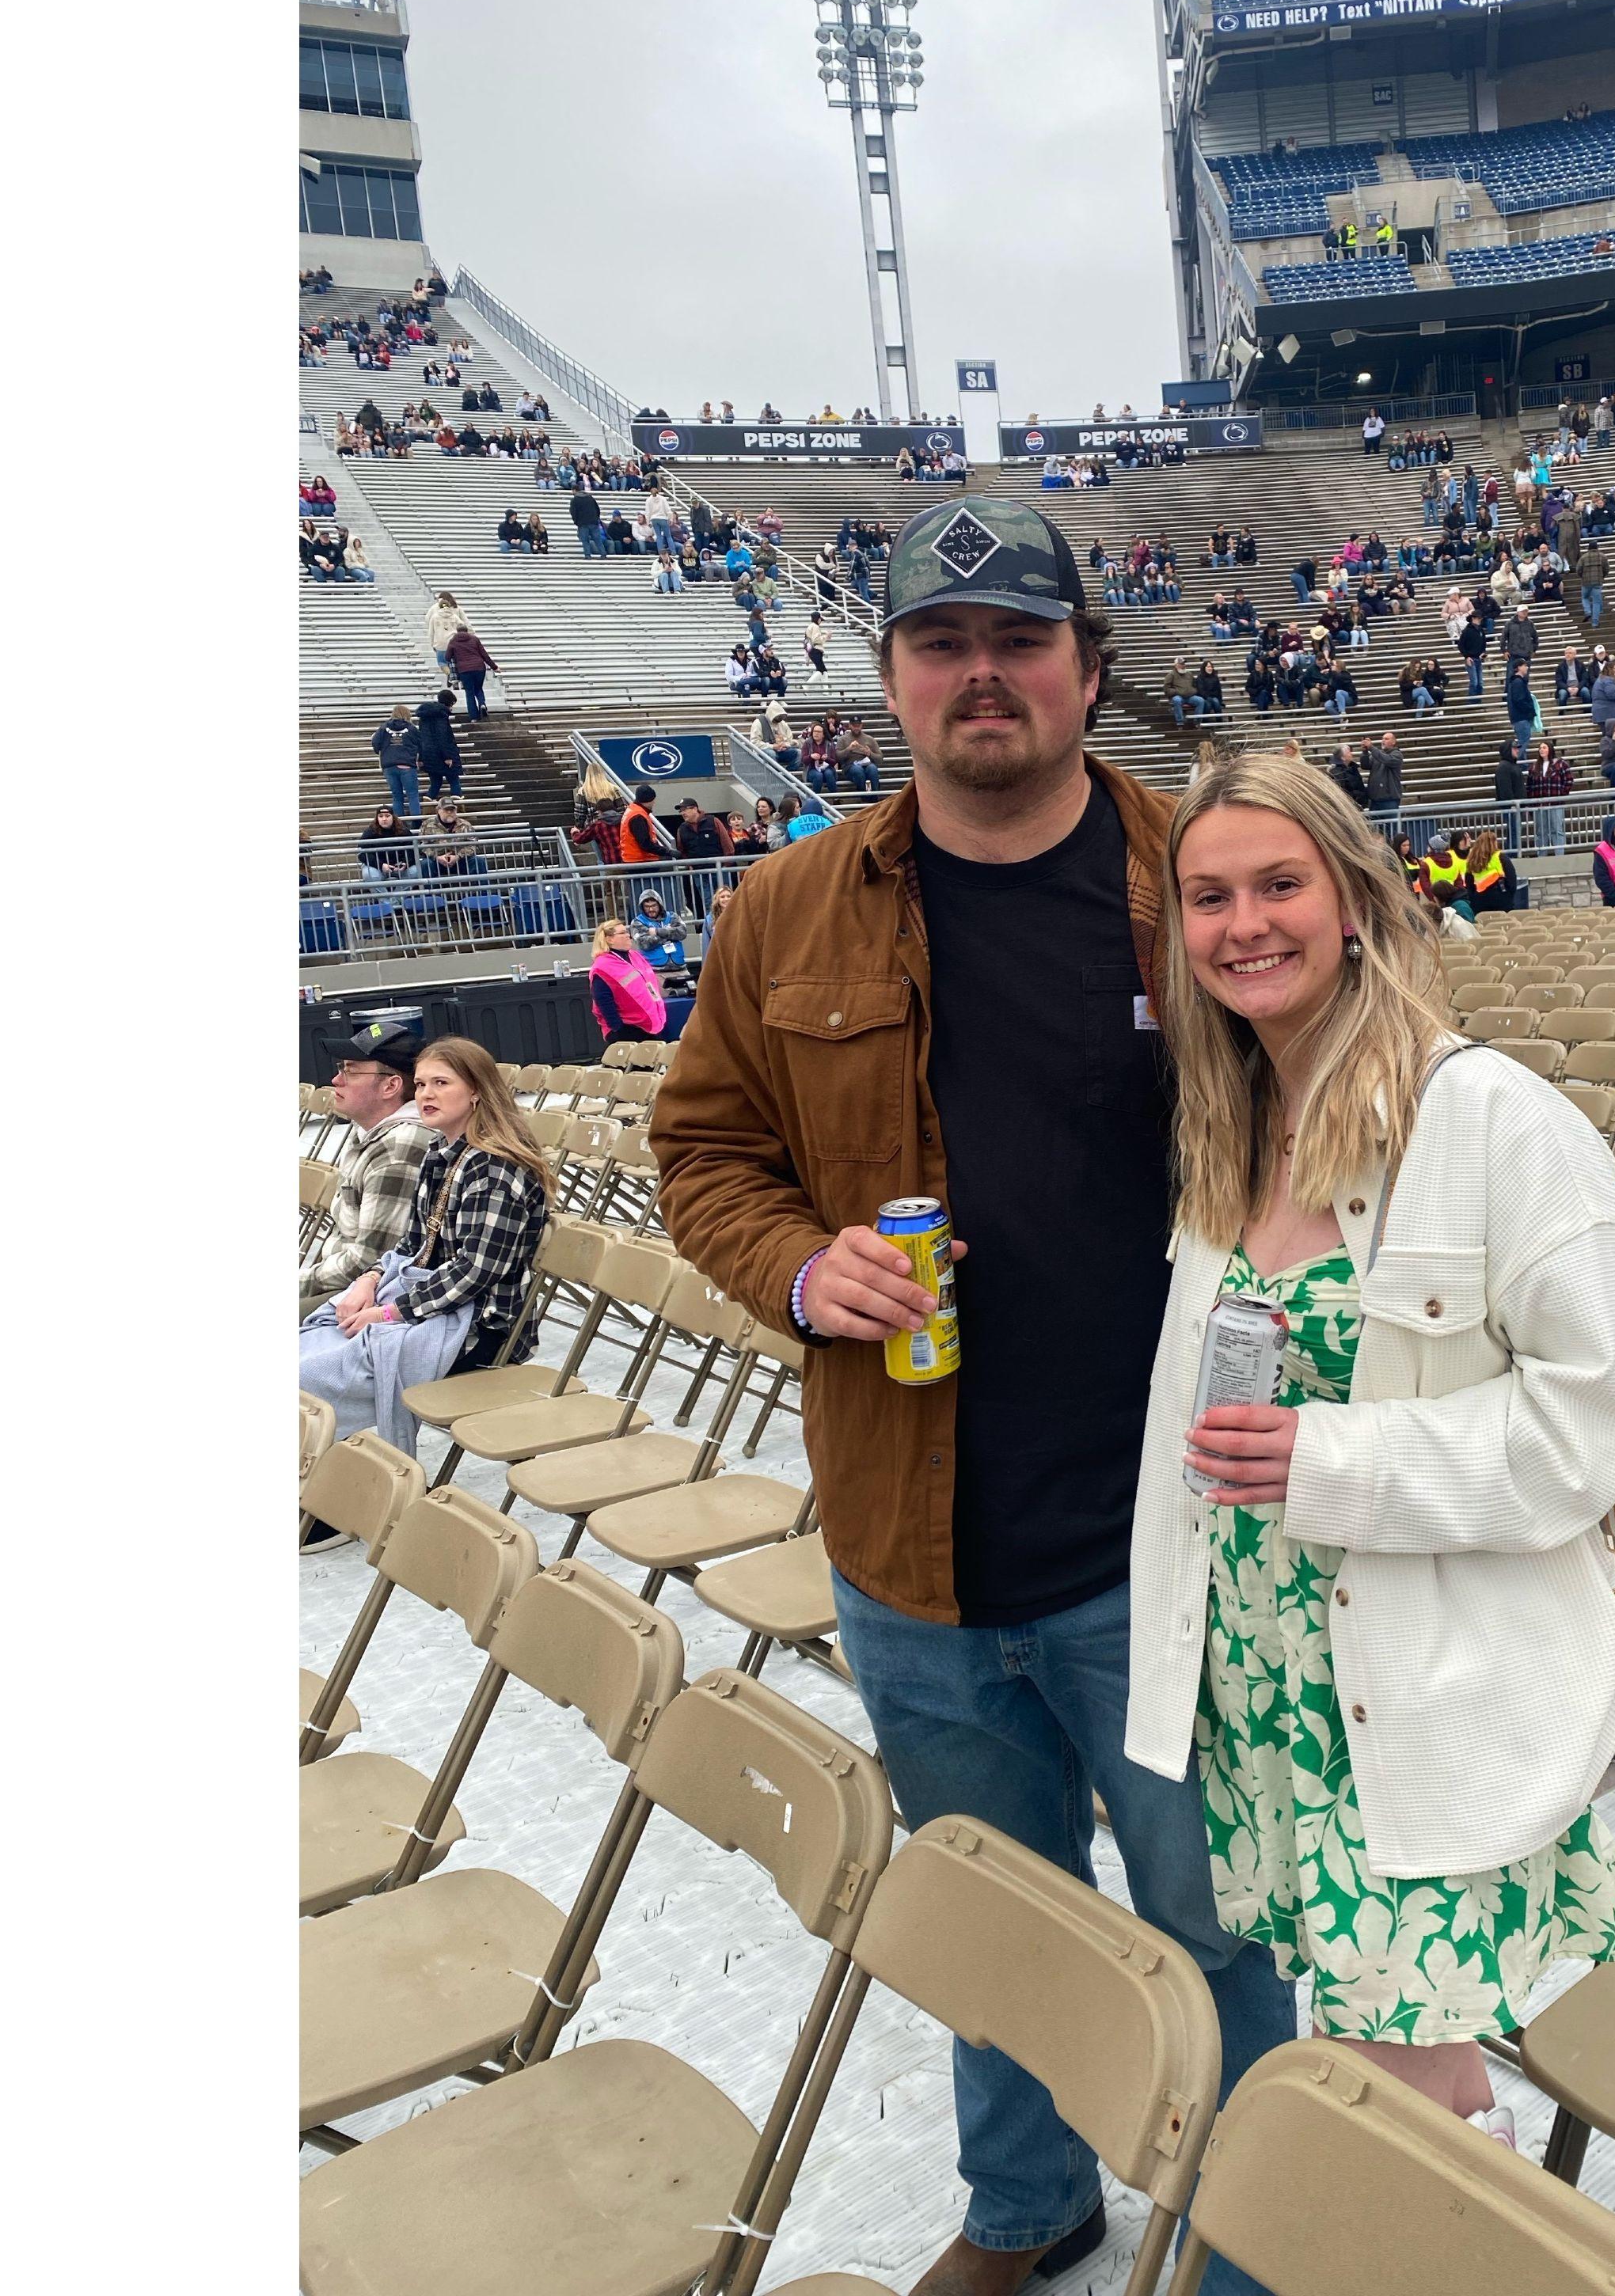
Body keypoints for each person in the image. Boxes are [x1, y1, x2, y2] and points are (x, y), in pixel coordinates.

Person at [646, 494, 1296, 2295]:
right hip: (913, 1552)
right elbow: (704, 1151)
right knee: (993, 1929)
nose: (982, 674)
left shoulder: (1202, 882)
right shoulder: (788, 904)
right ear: (892, 680)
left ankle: (1248, 2236)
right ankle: (1029, 2208)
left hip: (1166, 1543)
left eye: (1021, 639)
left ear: (1087, 668)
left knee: (1215, 1923)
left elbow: (1353, 1111)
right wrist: (800, 1267)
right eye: (944, 643)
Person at [1130, 753, 1615, 2143]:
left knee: (1404, 2081)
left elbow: (1606, 1409)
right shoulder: (1227, 1123)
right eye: (1208, 896)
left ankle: (1445, 2236)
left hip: (1418, 1672)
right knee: (1375, 2048)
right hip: (1270, 1668)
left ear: (1356, 901)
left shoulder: (1487, 1116)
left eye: (1279, 883)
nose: (1244, 923)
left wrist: (1337, 1464)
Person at [299, 1039, 554, 1455]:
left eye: (441, 1083)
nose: (425, 1095)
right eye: (420, 1085)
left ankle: (335, 1483)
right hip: (429, 1305)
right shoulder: (440, 1152)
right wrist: (369, 1280)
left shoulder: (494, 1171)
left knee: (307, 1380)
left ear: (477, 1091)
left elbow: (474, 1272)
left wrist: (390, 1312)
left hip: (479, 1327)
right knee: (310, 1347)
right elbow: (413, 1242)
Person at [299, 1018, 441, 1320]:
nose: (336, 1080)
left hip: (364, 1294)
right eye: (341, 1068)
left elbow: (368, 1260)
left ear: (390, 1086)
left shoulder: (398, 1148)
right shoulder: (370, 1131)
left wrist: (299, 1283)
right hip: (344, 1282)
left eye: (350, 1071)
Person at [589, 917, 670, 1045]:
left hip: (651, 1023)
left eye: (627, 932)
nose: (628, 935)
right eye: (622, 933)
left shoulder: (635, 956)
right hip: (628, 1029)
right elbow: (603, 1000)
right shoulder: (603, 966)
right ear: (609, 939)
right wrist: (618, 1028)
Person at [1526, 737, 1574, 856]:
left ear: (1550, 749)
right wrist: (1532, 800)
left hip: (1555, 803)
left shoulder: (1561, 764)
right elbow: (1529, 785)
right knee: (1541, 832)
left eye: (1544, 747)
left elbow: (1569, 780)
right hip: (1539, 804)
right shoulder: (1534, 767)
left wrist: (1561, 794)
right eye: (1540, 748)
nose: (1541, 750)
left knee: (1557, 830)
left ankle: (1559, 855)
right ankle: (1542, 855)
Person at [371, 707, 422, 820]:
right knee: (413, 795)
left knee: (397, 796)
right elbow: (420, 744)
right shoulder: (411, 728)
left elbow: (375, 743)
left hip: (389, 765)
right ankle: (416, 823)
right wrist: (420, 758)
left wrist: (383, 752)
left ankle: (399, 823)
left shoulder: (383, 727)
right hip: (407, 764)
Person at [415, 689, 464, 803]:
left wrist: (421, 757)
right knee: (454, 779)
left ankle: (428, 803)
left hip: (428, 754)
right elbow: (443, 737)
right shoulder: (441, 715)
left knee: (435, 781)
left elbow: (421, 738)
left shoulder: (424, 717)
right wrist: (447, 756)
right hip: (441, 754)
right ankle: (458, 803)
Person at [446, 624, 497, 721]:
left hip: (464, 670)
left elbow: (447, 657)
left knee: (469, 692)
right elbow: (484, 654)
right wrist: (494, 667)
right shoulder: (474, 639)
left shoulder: (453, 641)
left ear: (457, 631)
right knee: (478, 688)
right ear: (467, 630)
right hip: (479, 667)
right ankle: (482, 704)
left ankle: (474, 717)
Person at [1362, 729, 1404, 839]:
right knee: (1376, 834)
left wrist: (1372, 748)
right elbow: (1365, 765)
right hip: (1375, 801)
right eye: (1382, 739)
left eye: (1386, 739)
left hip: (1389, 800)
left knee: (1392, 832)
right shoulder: (1377, 755)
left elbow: (1386, 759)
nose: (1383, 741)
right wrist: (1365, 752)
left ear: (1393, 742)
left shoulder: (1397, 755)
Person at [1492, 734, 1527, 855]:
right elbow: (1505, 789)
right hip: (1512, 807)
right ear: (1508, 750)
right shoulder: (1504, 767)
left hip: (1516, 806)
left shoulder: (1511, 765)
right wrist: (1512, 804)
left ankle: (1513, 855)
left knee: (1515, 833)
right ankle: (1512, 856)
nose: (1518, 750)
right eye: (1515, 748)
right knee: (1513, 833)